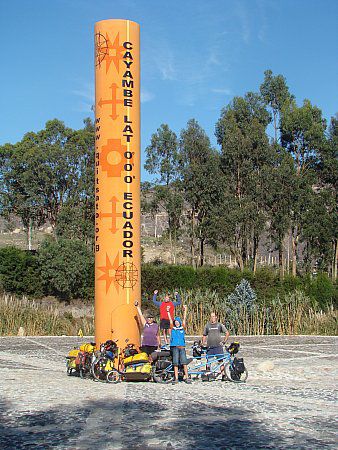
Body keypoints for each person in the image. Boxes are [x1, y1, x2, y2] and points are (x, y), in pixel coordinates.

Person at [167, 304, 191, 384]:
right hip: (175, 347)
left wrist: (185, 310)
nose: (177, 323)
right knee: (175, 363)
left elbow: (184, 319)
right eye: (176, 322)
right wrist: (168, 312)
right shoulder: (173, 329)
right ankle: (176, 378)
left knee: (184, 362)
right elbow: (170, 320)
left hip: (182, 347)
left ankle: (187, 377)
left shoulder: (182, 328)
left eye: (178, 322)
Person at [202, 312, 230, 380]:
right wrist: (203, 343)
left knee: (221, 361)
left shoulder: (219, 325)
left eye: (214, 316)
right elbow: (204, 335)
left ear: (216, 317)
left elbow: (227, 333)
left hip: (218, 346)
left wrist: (224, 341)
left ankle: (223, 375)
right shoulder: (207, 326)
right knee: (209, 362)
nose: (212, 318)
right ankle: (207, 375)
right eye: (211, 317)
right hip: (210, 347)